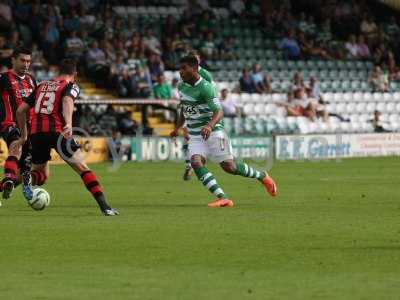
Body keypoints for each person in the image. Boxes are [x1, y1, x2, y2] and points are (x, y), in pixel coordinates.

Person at [170, 55, 277, 208]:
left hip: (214, 132)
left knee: (230, 167)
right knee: (195, 162)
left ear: (194, 69)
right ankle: (223, 197)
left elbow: (219, 111)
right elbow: (184, 108)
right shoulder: (181, 86)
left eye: (184, 68)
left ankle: (262, 176)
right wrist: (178, 127)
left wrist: (209, 126)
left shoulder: (206, 87)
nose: (180, 72)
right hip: (195, 135)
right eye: (180, 69)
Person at [15, 59, 118, 216]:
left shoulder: (41, 85)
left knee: (41, 176)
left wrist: (24, 135)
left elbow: (21, 110)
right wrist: (69, 124)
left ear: (58, 72)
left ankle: (20, 179)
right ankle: (105, 206)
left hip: (36, 135)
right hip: (58, 133)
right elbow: (67, 100)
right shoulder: (71, 85)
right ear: (74, 74)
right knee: (83, 169)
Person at [0, 47, 36, 203]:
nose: (26, 64)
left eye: (28, 61)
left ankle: (10, 183)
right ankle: (8, 179)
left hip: (29, 126)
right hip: (9, 123)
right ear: (13, 60)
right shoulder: (3, 78)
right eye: (22, 60)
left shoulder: (31, 80)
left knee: (26, 164)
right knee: (17, 145)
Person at [181, 51, 213, 181]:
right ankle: (191, 164)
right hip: (190, 107)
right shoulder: (185, 72)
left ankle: (192, 164)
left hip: (203, 109)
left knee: (199, 144)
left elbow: (208, 89)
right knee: (189, 139)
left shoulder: (205, 74)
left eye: (197, 58)